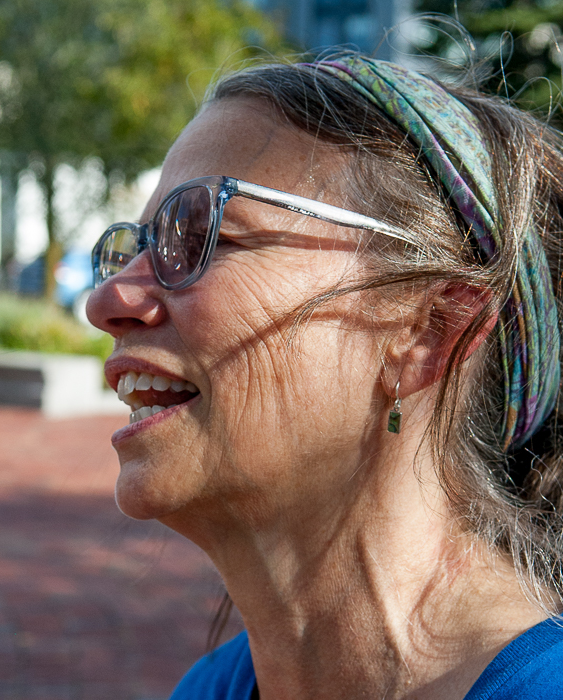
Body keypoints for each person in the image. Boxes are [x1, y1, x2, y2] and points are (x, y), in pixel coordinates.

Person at [86, 51, 563, 699]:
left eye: (202, 235)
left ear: (427, 330)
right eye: (131, 248)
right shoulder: (209, 689)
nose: (107, 301)